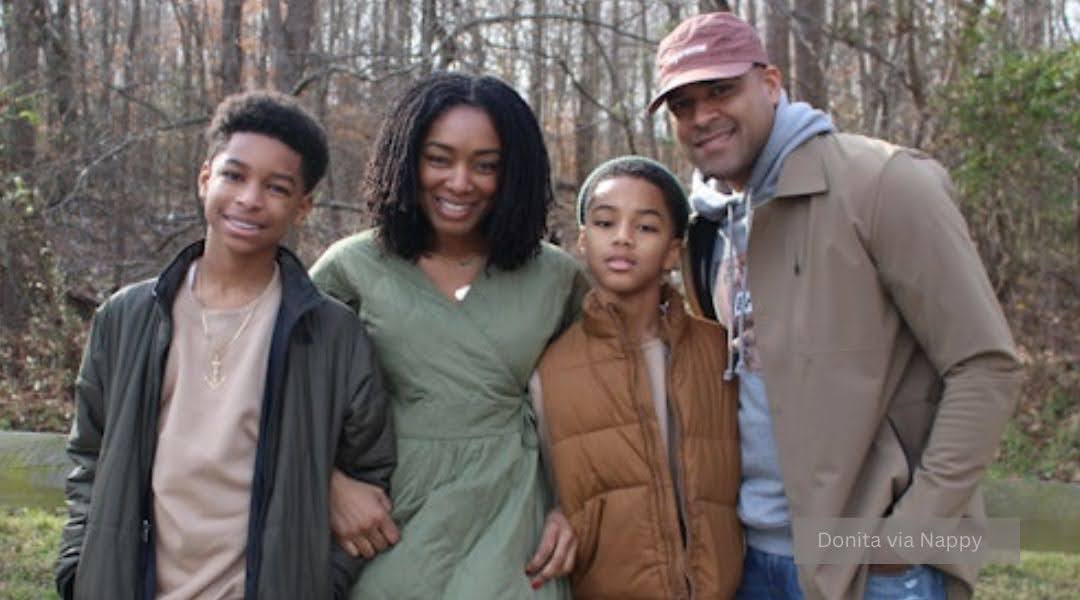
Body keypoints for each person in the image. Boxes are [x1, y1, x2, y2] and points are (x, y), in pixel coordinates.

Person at [648, 12, 1023, 600]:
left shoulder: (884, 184)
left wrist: (906, 537)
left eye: (721, 90)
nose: (701, 117)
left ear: (770, 84)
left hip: (869, 565)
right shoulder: (703, 229)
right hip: (745, 560)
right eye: (682, 104)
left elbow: (986, 365)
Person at [54, 90, 394, 599]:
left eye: (276, 187)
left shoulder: (330, 335)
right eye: (234, 175)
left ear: (303, 207)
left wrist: (321, 581)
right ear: (205, 177)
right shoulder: (128, 318)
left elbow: (370, 473)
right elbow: (89, 456)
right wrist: (79, 568)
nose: (250, 199)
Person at [310, 72, 589, 599]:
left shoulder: (557, 277)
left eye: (486, 165)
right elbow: (276, 392)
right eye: (439, 159)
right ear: (406, 159)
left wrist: (572, 508)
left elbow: (604, 408)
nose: (461, 182)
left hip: (515, 529)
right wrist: (330, 484)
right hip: (387, 525)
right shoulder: (351, 268)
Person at [531, 156, 742, 599]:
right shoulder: (550, 369)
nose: (623, 238)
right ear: (583, 242)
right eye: (606, 224)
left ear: (672, 250)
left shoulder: (719, 352)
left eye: (645, 227)